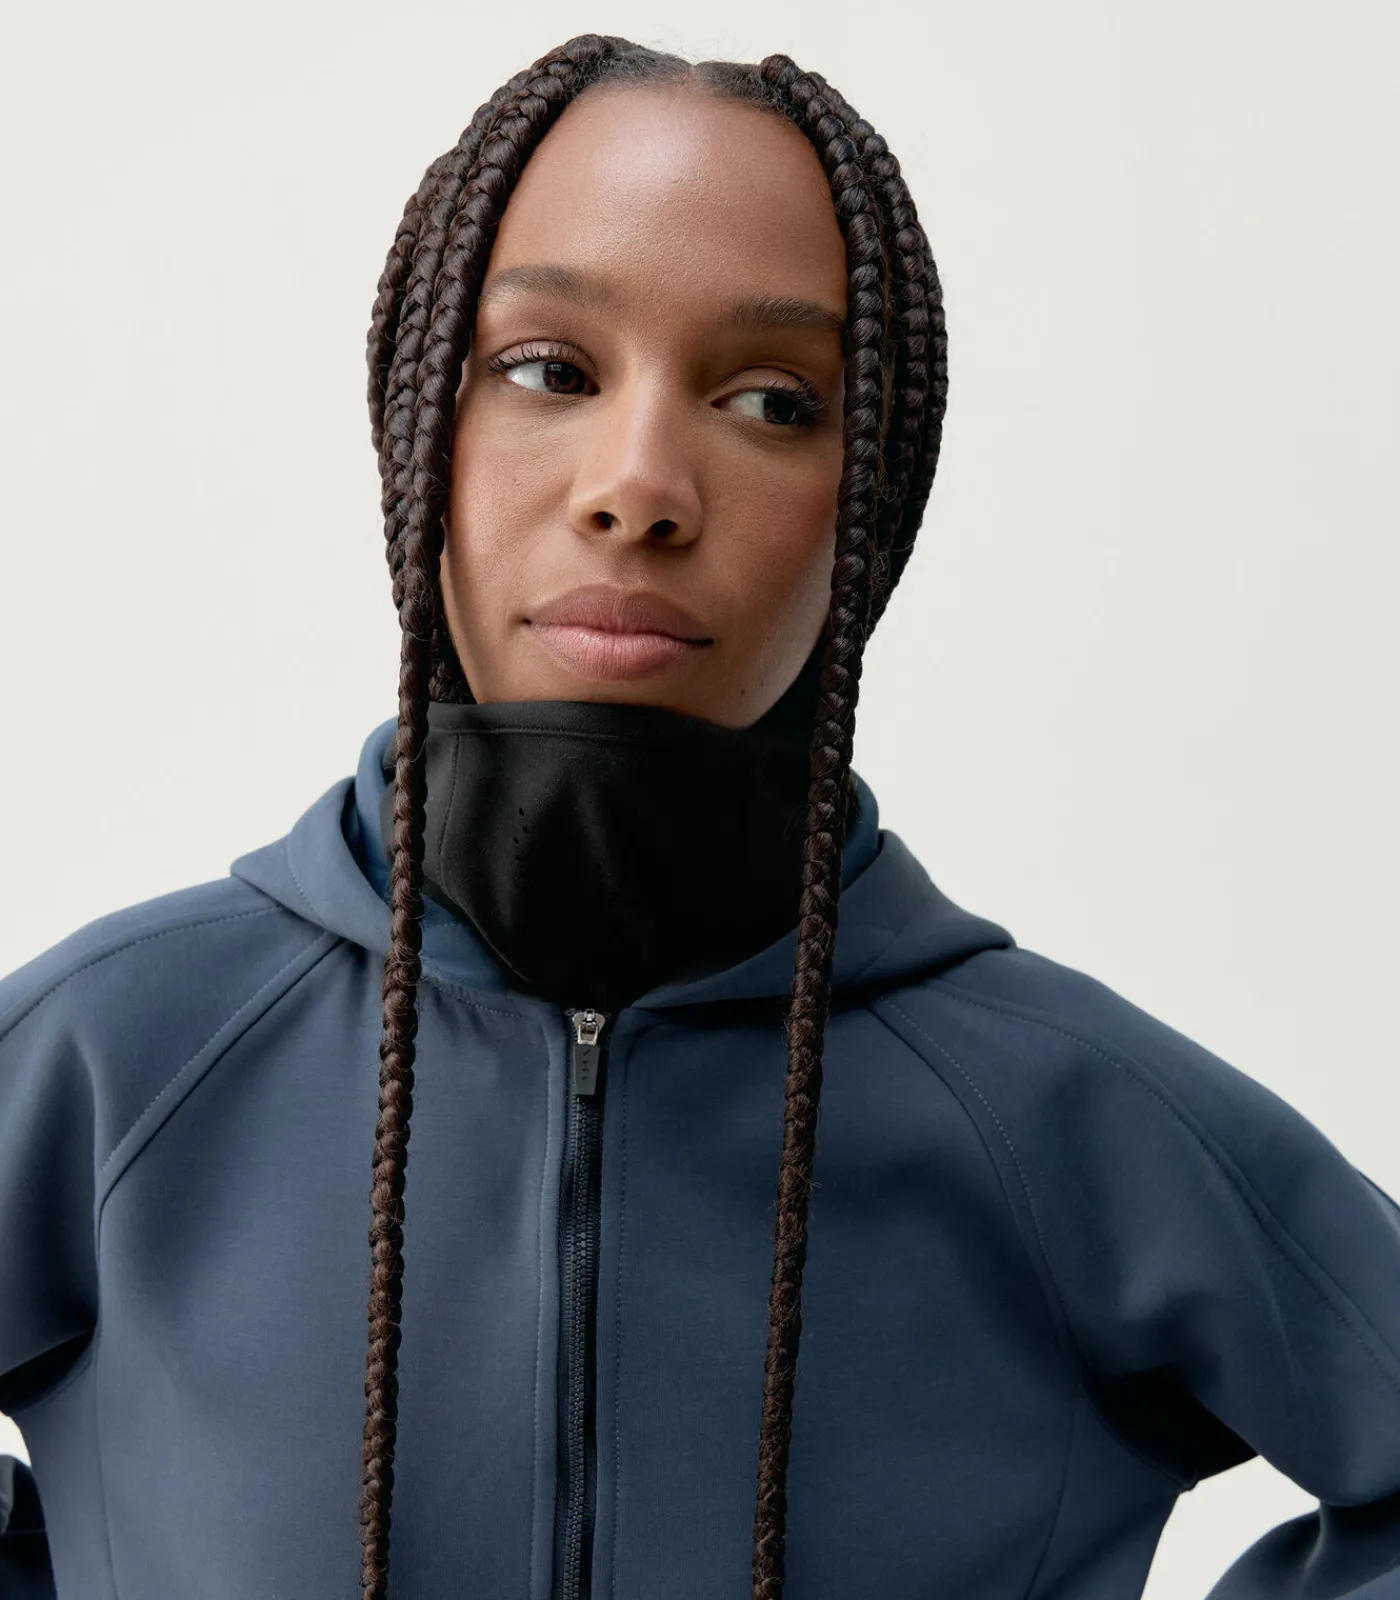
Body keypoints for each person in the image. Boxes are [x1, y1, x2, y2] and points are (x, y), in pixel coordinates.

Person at [1, 31, 1398, 1600]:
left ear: (871, 500)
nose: (640, 486)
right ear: (419, 427)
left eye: (772, 401)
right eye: (550, 371)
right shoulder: (117, 1063)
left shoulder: (1061, 1115)